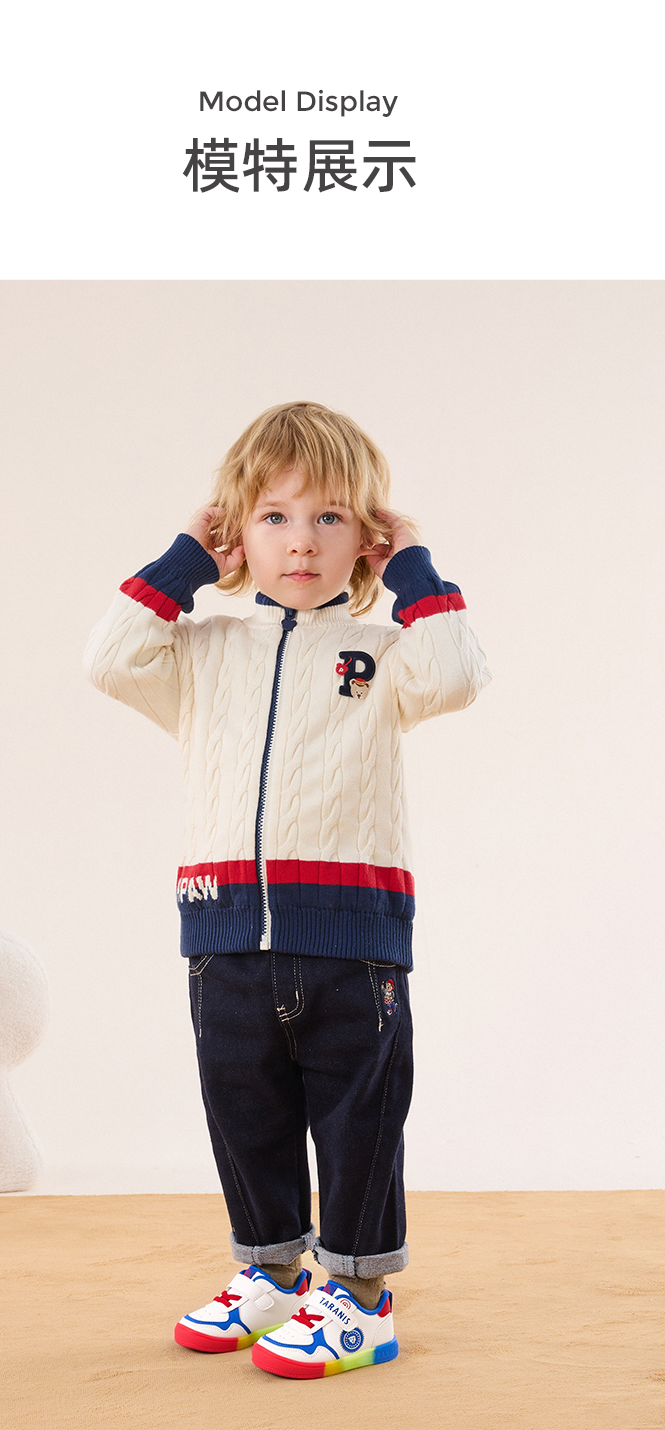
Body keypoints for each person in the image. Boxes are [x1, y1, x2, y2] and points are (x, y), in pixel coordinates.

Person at [84, 400, 491, 1380]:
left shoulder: (383, 653)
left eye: (329, 517)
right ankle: (270, 1271)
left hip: (352, 937)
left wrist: (414, 567)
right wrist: (186, 557)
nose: (301, 541)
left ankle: (360, 1297)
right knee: (244, 1110)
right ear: (237, 529)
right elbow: (109, 659)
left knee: (358, 1119)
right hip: (223, 933)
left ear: (367, 537)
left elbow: (457, 674)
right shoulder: (203, 653)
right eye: (274, 516)